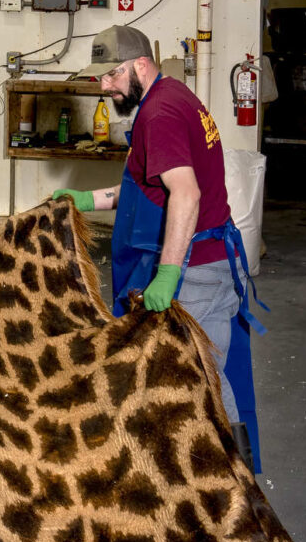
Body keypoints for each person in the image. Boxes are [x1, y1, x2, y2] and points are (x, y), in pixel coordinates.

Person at [53, 24, 252, 376]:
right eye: (100, 77)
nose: (105, 86)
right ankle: (228, 433)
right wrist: (86, 200)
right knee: (204, 382)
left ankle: (221, 434)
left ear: (141, 64)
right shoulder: (171, 94)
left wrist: (168, 273)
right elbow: (146, 187)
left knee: (196, 386)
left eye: (113, 74)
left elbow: (186, 193)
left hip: (197, 270)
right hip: (214, 260)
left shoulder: (159, 115)